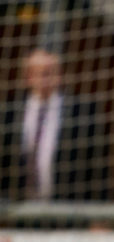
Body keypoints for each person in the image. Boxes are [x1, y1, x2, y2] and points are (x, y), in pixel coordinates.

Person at [0, 48, 105, 200]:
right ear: (27, 77)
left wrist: (99, 216)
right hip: (18, 208)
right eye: (38, 73)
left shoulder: (80, 111)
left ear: (59, 74)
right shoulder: (9, 113)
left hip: (67, 207)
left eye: (49, 72)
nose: (44, 78)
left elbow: (97, 165)